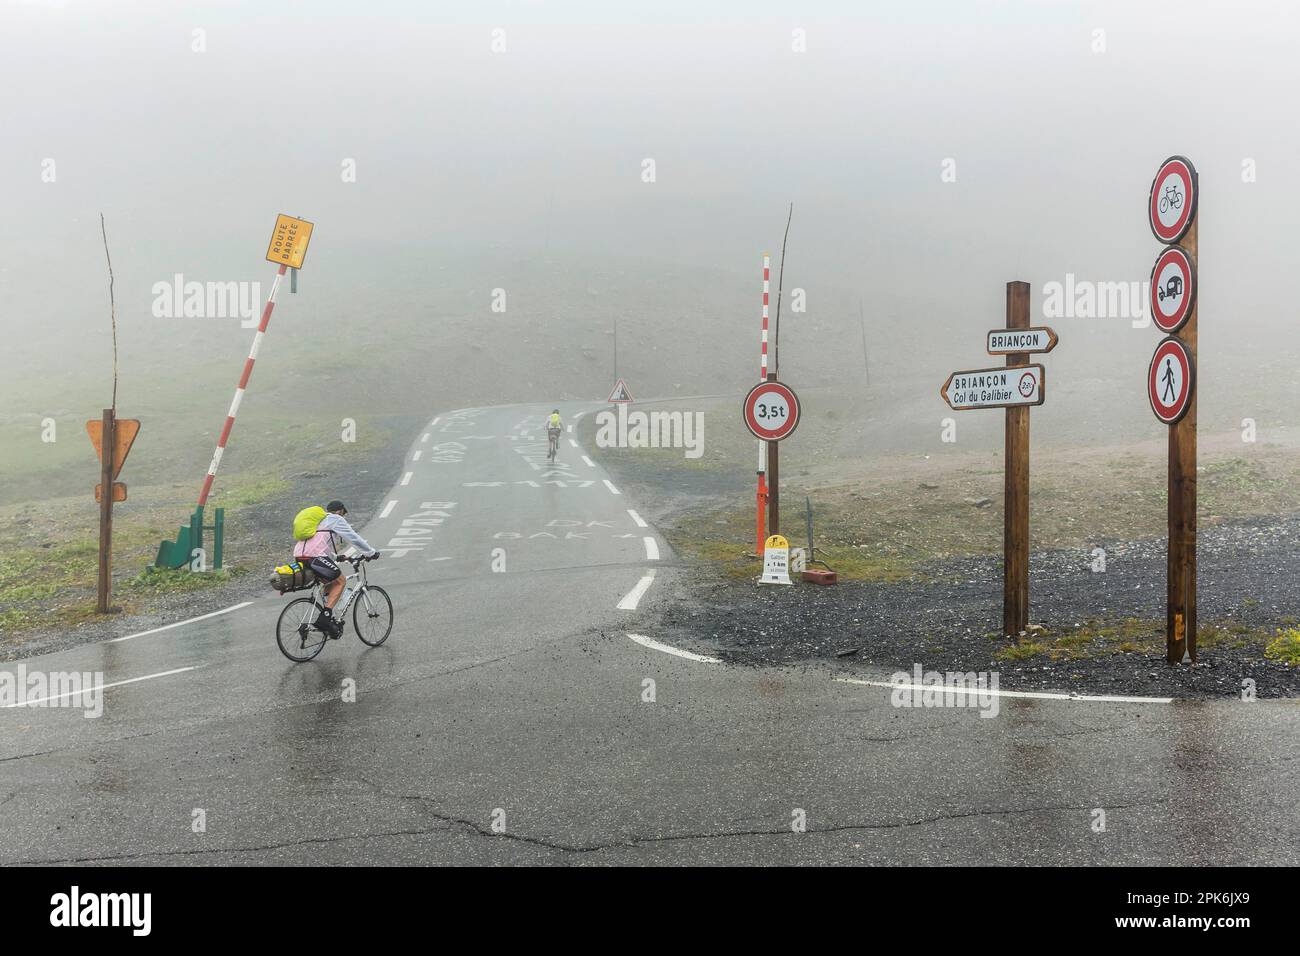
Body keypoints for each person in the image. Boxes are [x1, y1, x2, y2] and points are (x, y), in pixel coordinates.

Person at [293, 500, 380, 637]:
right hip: (314, 556)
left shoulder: (319, 521)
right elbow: (353, 538)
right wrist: (371, 552)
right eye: (343, 513)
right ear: (340, 511)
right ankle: (325, 618)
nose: (343, 516)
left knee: (330, 581)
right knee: (340, 581)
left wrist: (336, 557)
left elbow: (318, 542)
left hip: (299, 555)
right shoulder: (336, 519)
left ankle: (330, 622)